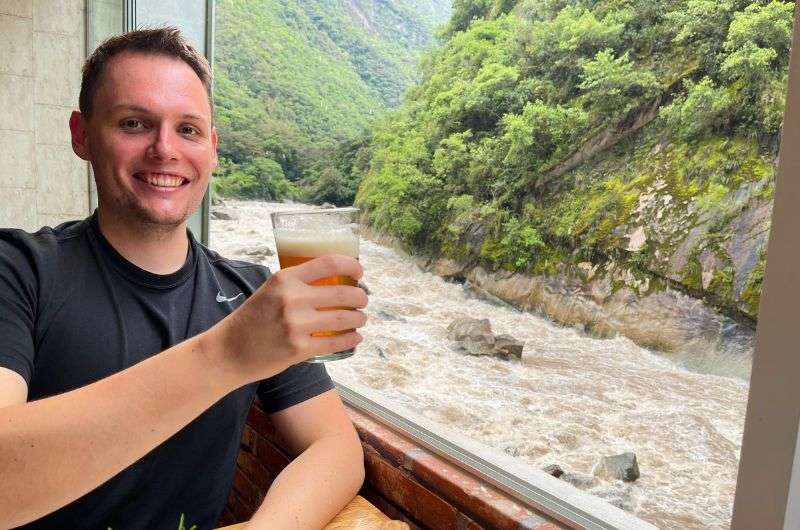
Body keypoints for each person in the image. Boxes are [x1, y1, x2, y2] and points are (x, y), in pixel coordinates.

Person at [0, 27, 368, 530]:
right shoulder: (18, 270)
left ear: (212, 149)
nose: (165, 149)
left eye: (188, 130)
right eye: (134, 123)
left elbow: (336, 447)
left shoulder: (251, 293)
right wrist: (229, 353)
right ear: (81, 135)